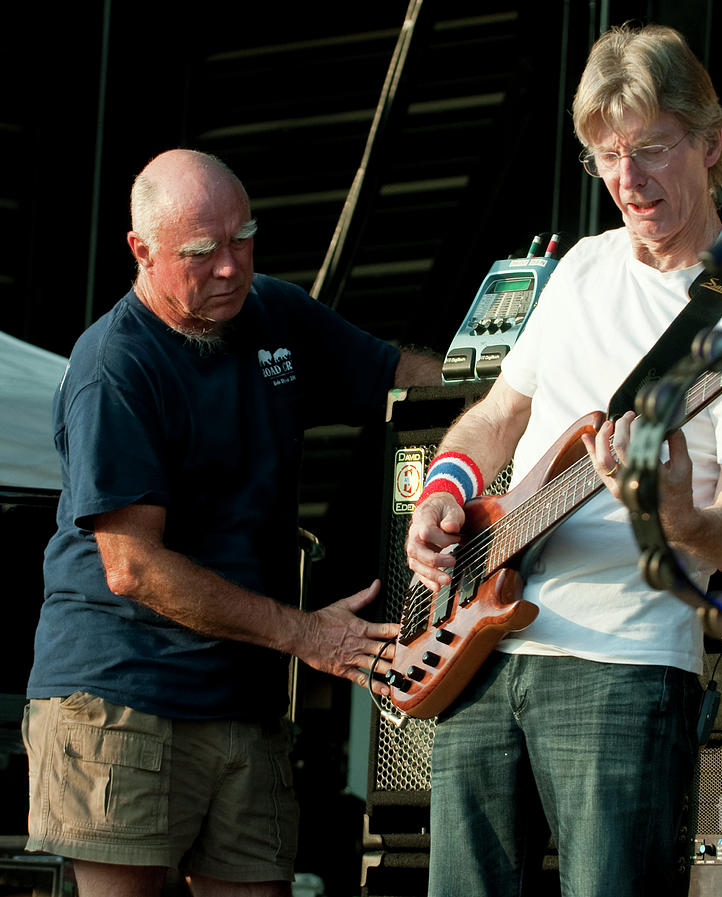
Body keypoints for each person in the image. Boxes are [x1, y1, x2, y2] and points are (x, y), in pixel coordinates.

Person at [405, 23, 722, 897]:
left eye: (651, 149)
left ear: (712, 143)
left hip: (623, 667)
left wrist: (679, 512)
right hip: (481, 648)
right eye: (607, 156)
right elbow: (500, 415)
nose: (627, 179)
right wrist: (444, 491)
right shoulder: (579, 267)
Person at [22, 148, 441, 897]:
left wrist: (531, 382)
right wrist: (309, 634)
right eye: (200, 251)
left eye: (243, 237)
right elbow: (132, 566)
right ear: (141, 252)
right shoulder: (114, 364)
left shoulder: (274, 311)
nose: (229, 267)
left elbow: (404, 379)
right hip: (123, 693)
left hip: (242, 699)